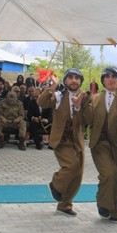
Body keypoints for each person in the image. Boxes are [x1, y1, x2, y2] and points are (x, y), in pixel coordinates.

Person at [84, 67, 117, 223]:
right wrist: (82, 104)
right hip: (99, 143)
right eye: (107, 76)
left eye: (114, 76)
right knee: (109, 173)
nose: (110, 78)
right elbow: (87, 119)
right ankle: (103, 203)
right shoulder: (95, 98)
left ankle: (115, 213)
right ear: (103, 80)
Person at [38, 69, 89, 216]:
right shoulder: (58, 96)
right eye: (71, 78)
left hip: (77, 139)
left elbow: (88, 118)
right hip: (61, 139)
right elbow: (42, 102)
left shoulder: (85, 97)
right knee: (71, 166)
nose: (74, 81)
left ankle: (65, 204)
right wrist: (52, 87)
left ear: (80, 81)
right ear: (65, 81)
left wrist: (79, 106)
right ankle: (56, 184)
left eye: (77, 78)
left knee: (78, 174)